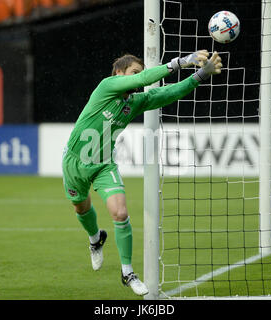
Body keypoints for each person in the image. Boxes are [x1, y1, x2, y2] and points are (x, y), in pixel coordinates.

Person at [62, 50, 222, 296]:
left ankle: (128, 272)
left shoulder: (132, 104)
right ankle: (95, 239)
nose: (138, 78)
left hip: (104, 165)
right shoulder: (107, 86)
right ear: (119, 74)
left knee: (121, 212)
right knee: (80, 208)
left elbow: (166, 93)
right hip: (74, 163)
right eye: (134, 72)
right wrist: (180, 62)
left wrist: (199, 76)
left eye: (140, 72)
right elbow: (142, 81)